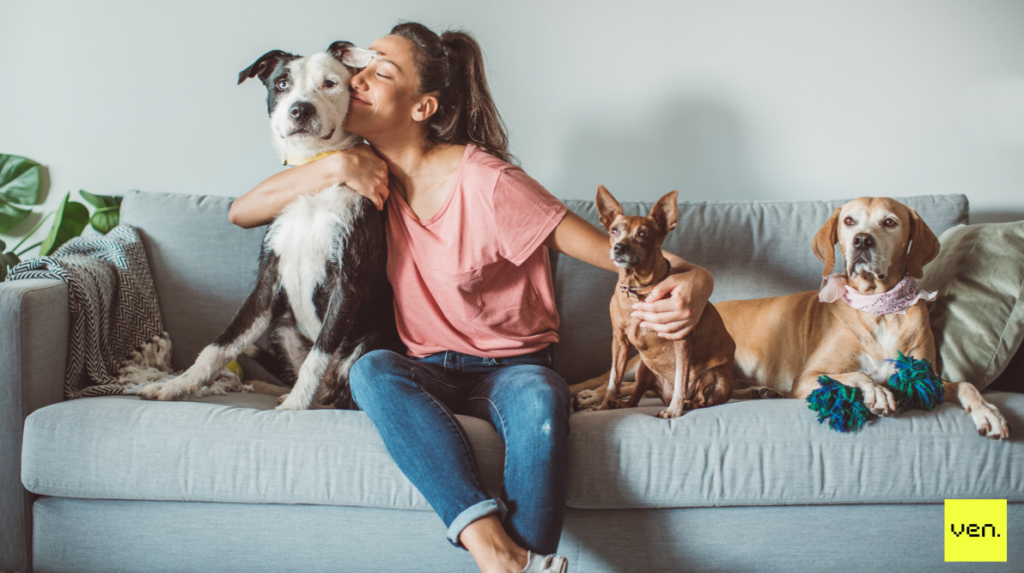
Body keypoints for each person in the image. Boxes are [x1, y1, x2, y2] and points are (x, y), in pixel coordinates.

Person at [229, 22, 714, 573]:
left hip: (512, 367)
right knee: (371, 373)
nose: (358, 78)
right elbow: (241, 212)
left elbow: (615, 253)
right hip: (425, 367)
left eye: (380, 72)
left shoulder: (489, 182)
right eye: (360, 68)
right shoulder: (361, 171)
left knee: (541, 402)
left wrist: (699, 279)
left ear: (421, 107)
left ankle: (516, 560)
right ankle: (496, 551)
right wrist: (338, 164)